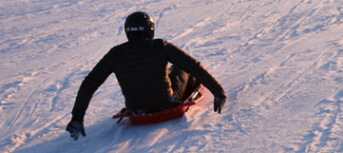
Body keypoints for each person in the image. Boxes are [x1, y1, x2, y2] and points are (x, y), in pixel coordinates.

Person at [67, 12, 226, 140]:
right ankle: (190, 88)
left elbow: (89, 83)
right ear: (150, 29)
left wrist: (77, 117)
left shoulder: (115, 54)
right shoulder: (159, 46)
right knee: (182, 67)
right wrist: (218, 91)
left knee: (167, 72)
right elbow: (193, 65)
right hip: (165, 102)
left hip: (135, 108)